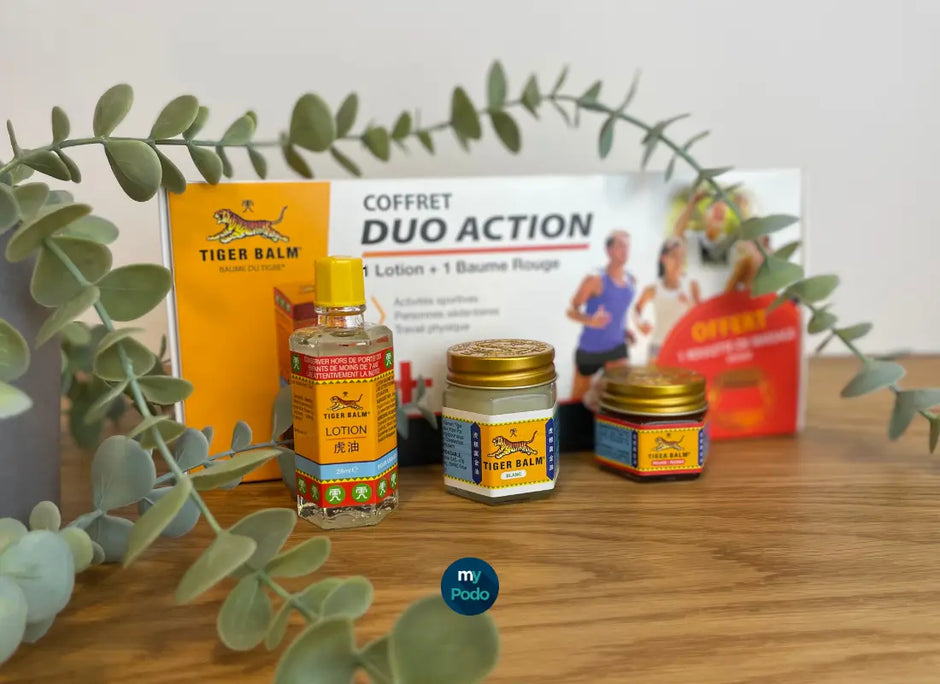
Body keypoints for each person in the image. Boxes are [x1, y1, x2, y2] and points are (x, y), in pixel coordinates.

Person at [567, 230, 638, 404]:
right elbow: (571, 310)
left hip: (617, 348)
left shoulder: (631, 280)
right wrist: (591, 320)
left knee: (620, 398)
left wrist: (625, 330)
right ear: (609, 250)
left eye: (627, 246)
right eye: (620, 246)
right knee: (577, 402)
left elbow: (619, 311)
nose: (625, 250)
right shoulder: (595, 279)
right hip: (590, 350)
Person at [633, 237, 701, 363]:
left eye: (681, 256)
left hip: (684, 349)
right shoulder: (653, 289)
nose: (678, 261)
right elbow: (636, 310)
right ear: (663, 258)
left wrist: (689, 303)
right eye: (674, 256)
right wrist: (640, 323)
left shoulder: (691, 285)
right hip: (657, 348)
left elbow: (702, 317)